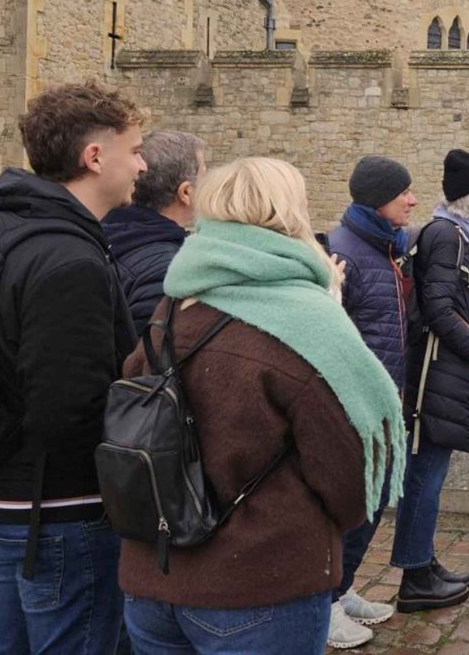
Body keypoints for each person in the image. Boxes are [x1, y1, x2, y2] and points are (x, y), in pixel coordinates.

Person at [119, 157, 406, 655]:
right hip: (259, 586)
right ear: (289, 214)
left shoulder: (175, 302)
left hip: (155, 576)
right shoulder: (309, 324)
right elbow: (350, 476)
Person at [0, 81, 146, 655]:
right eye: (134, 149)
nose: (142, 164)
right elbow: (67, 411)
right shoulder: (69, 259)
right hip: (59, 510)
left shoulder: (13, 231)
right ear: (95, 158)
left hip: (7, 495)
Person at [393, 149, 469, 612]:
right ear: (467, 197)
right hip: (437, 374)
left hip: (446, 372)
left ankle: (423, 561)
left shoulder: (462, 237)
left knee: (431, 471)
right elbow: (439, 308)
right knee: (425, 474)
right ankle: (416, 577)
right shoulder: (448, 236)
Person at [324, 155, 418, 648]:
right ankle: (325, 603)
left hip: (383, 404)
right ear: (380, 199)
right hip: (353, 409)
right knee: (353, 505)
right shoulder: (345, 252)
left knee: (375, 501)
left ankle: (342, 587)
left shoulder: (386, 248)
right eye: (404, 192)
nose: (413, 200)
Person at [104, 129, 205, 336]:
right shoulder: (166, 270)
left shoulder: (103, 233)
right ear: (186, 193)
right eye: (204, 175)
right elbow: (151, 355)